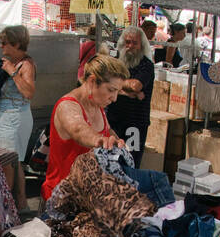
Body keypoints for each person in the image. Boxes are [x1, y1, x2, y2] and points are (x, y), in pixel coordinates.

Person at [44, 54, 127, 201]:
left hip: (90, 195)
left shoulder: (97, 104)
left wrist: (116, 140)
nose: (114, 98)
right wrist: (100, 140)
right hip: (63, 198)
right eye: (111, 90)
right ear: (92, 81)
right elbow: (79, 130)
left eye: (117, 92)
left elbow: (107, 131)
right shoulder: (67, 106)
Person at [0, 25, 36, 209]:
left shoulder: (25, 65)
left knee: (8, 162)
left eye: (5, 43)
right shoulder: (18, 63)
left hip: (14, 118)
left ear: (17, 43)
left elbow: (28, 92)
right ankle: (19, 203)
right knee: (15, 161)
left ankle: (7, 205)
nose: (2, 46)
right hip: (9, 117)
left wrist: (12, 72)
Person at [106, 24, 154, 163]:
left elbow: (135, 86)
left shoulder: (146, 65)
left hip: (135, 124)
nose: (130, 46)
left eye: (134, 43)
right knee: (111, 160)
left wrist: (117, 87)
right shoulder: (116, 63)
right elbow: (106, 83)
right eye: (127, 42)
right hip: (114, 120)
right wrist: (127, 93)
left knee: (131, 161)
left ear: (141, 45)